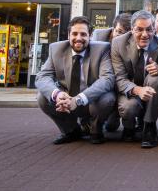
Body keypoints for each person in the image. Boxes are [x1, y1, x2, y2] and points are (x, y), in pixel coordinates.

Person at [36, 16, 116, 145]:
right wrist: (57, 94)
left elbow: (107, 79)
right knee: (42, 97)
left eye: (83, 34)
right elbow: (42, 76)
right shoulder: (56, 49)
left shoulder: (102, 49)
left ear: (90, 36)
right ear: (68, 35)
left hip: (91, 99)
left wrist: (78, 99)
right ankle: (71, 131)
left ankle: (96, 130)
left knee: (108, 98)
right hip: (66, 98)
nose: (78, 38)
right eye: (74, 33)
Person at [111, 10, 158, 148]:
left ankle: (149, 126)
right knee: (128, 107)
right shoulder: (118, 44)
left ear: (154, 29)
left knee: (156, 79)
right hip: (129, 89)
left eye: (149, 29)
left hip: (152, 89)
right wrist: (137, 90)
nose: (144, 34)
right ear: (131, 30)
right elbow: (119, 78)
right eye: (139, 30)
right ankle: (129, 127)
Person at [91, 12, 131, 133]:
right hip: (101, 79)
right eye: (118, 31)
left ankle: (119, 117)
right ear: (113, 28)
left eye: (124, 34)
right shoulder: (98, 37)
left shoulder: (130, 43)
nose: (120, 37)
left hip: (120, 81)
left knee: (111, 127)